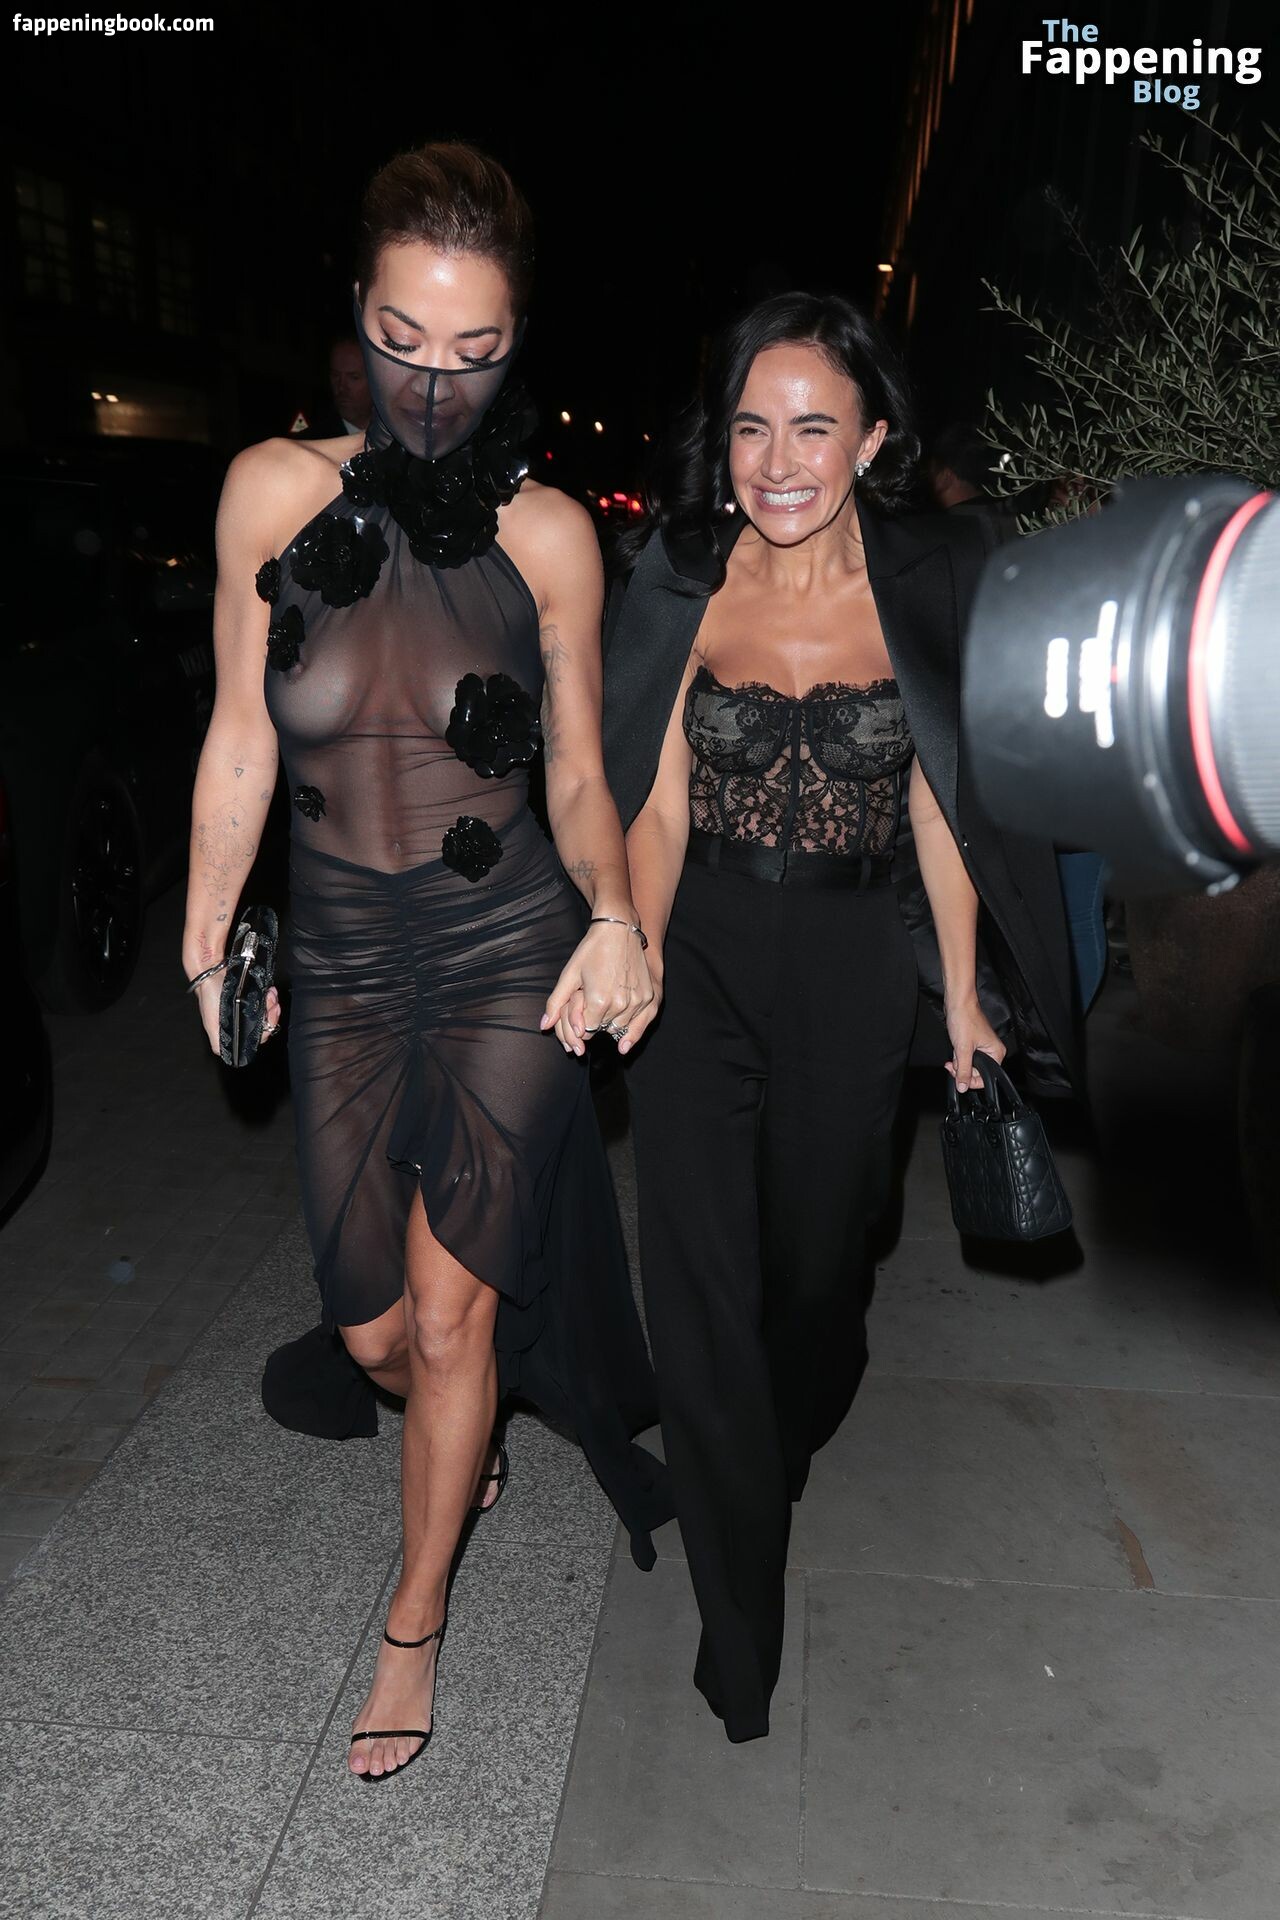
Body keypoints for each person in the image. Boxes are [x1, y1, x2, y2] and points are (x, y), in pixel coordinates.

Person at [183, 141, 667, 1784]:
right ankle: (455, 1434)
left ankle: (414, 1616)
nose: (434, 386)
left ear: (517, 345)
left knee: (454, 1322)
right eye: (402, 342)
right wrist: (203, 935)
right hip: (335, 947)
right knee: (373, 1327)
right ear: (356, 313)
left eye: (474, 352)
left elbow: (582, 775)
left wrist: (613, 916)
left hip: (501, 943)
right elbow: (240, 738)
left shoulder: (551, 536)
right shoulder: (268, 491)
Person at [601, 292, 1083, 1744]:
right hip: (701, 955)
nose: (778, 460)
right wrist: (632, 947)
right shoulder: (681, 571)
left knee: (817, 1272)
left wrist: (963, 997)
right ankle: (738, 1627)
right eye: (751, 426)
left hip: (857, 961)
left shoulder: (931, 576)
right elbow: (656, 800)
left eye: (813, 427)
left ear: (872, 438)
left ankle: (780, 1424)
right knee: (696, 1282)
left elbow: (941, 801)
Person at [292, 336, 375, 440]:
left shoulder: (393, 434)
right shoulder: (312, 442)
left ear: (376, 380)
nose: (341, 387)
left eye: (354, 377)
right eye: (335, 376)